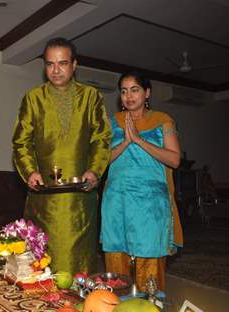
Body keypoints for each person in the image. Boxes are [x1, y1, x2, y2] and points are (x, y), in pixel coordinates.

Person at [12, 37, 112, 275]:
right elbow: (20, 142)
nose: (55, 70)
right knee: (42, 259)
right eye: (50, 64)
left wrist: (95, 170)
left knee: (78, 262)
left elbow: (101, 138)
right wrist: (29, 171)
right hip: (43, 198)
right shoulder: (33, 98)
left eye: (62, 63)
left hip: (81, 197)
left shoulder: (91, 97)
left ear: (74, 65)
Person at [100, 71, 183, 291]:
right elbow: (102, 161)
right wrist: (126, 143)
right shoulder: (112, 122)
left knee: (150, 259)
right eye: (124, 91)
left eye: (134, 90)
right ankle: (114, 307)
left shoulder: (162, 120)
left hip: (150, 204)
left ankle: (150, 308)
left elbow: (174, 159)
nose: (129, 96)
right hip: (116, 200)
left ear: (147, 93)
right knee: (116, 257)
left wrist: (138, 140)